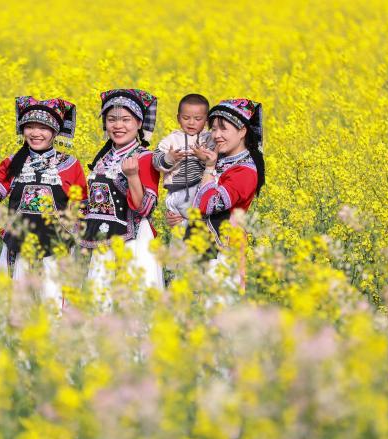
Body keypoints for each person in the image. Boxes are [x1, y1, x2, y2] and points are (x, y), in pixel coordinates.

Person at [0, 97, 87, 304]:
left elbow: (81, 209)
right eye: (30, 127)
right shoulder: (12, 162)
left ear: (55, 131)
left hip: (56, 249)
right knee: (16, 307)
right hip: (18, 247)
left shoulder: (70, 165)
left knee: (53, 308)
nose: (35, 133)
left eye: (43, 127)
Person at [166, 98, 265, 291]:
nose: (217, 135)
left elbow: (207, 205)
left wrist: (209, 168)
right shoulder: (215, 159)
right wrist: (179, 216)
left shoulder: (245, 171)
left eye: (223, 129)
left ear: (242, 131)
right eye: (213, 129)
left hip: (223, 251)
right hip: (196, 246)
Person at [79, 88, 163, 291]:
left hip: (134, 243)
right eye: (111, 119)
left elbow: (145, 209)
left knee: (135, 305)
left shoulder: (145, 157)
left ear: (139, 123)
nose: (118, 126)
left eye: (126, 120)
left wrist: (133, 176)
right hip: (101, 243)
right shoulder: (102, 159)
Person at [152, 93, 215, 225]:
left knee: (196, 225)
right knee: (179, 229)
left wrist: (204, 158)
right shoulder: (171, 139)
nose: (191, 122)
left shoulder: (209, 138)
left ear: (207, 121)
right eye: (186, 118)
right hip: (177, 190)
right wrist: (169, 159)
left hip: (199, 187)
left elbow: (217, 160)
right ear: (178, 118)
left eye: (198, 119)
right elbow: (156, 160)